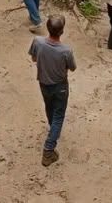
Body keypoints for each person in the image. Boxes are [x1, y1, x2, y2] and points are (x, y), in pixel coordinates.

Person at [29, 15, 77, 166]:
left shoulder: (37, 41)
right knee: (59, 115)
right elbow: (72, 68)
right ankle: (49, 149)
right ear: (62, 31)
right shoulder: (66, 50)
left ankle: (53, 130)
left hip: (43, 83)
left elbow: (34, 59)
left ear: (48, 28)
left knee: (49, 107)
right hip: (60, 86)